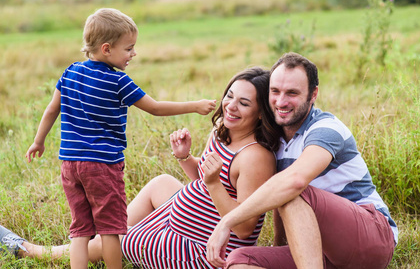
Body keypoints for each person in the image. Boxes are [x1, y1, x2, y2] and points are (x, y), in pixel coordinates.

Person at [2, 67, 282, 268]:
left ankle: (33, 252)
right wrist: (186, 158)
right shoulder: (224, 129)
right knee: (161, 183)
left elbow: (244, 228)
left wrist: (212, 183)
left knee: (115, 238)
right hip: (186, 221)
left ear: (261, 113)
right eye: (229, 96)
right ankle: (113, 234)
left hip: (204, 250)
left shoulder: (255, 156)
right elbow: (204, 177)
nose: (230, 106)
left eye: (244, 103)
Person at [23, 8, 216, 269]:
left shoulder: (70, 72)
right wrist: (194, 105)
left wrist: (38, 141)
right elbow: (155, 108)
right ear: (106, 49)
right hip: (102, 166)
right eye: (129, 48)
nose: (133, 54)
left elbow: (51, 109)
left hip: (70, 164)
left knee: (80, 230)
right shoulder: (118, 81)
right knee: (111, 229)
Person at [206, 52, 398, 269]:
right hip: (318, 250)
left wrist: (227, 222)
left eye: (292, 93)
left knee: (292, 191)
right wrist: (279, 246)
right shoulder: (274, 140)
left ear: (313, 94)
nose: (281, 101)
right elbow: (278, 199)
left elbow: (293, 183)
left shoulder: (326, 129)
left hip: (371, 237)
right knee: (239, 260)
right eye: (275, 91)